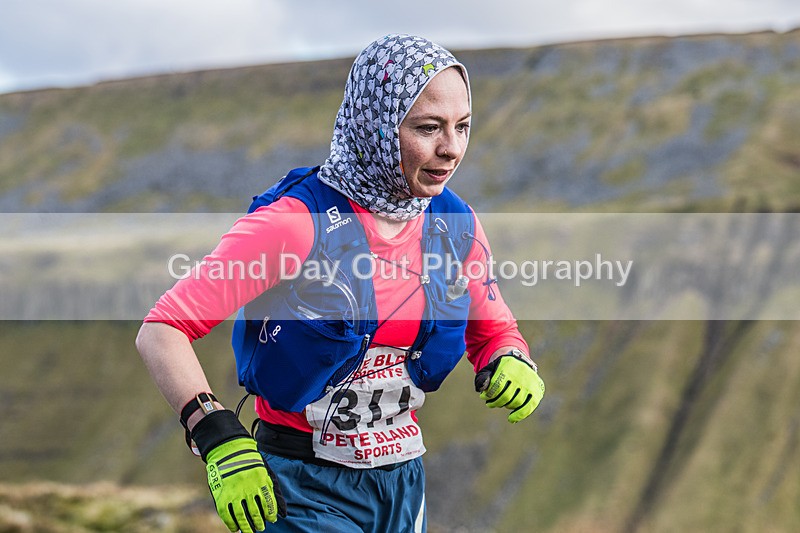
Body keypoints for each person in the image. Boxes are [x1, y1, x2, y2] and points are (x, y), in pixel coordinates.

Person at [136, 34, 545, 533]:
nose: (452, 149)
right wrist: (216, 435)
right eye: (428, 127)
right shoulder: (293, 224)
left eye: (462, 126)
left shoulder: (455, 224)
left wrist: (511, 357)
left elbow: (495, 330)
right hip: (298, 485)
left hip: (403, 484)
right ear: (376, 126)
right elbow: (162, 329)